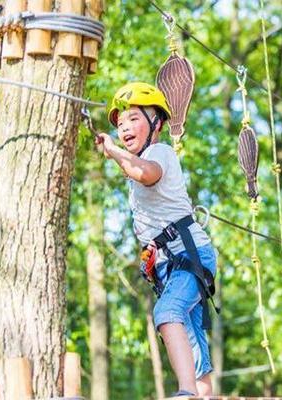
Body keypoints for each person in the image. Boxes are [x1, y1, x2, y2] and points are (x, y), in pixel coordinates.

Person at [95, 82, 216, 397]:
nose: (125, 127)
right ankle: (202, 393)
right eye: (121, 123)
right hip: (171, 263)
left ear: (157, 124)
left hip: (191, 256)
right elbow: (136, 174)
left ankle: (187, 393)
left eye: (134, 118)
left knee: (167, 314)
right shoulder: (138, 161)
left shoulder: (159, 152)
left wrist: (113, 151)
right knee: (192, 343)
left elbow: (146, 173)